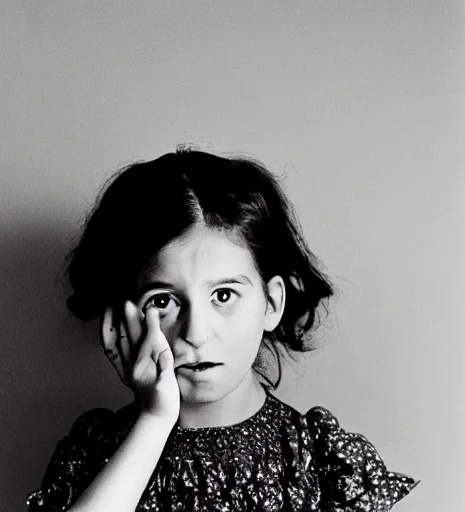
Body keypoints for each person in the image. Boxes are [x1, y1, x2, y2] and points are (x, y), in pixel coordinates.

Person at [26, 147, 419, 511]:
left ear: (271, 304)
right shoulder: (94, 451)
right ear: (123, 319)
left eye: (224, 296)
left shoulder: (319, 459)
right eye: (163, 301)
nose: (196, 333)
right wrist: (153, 421)